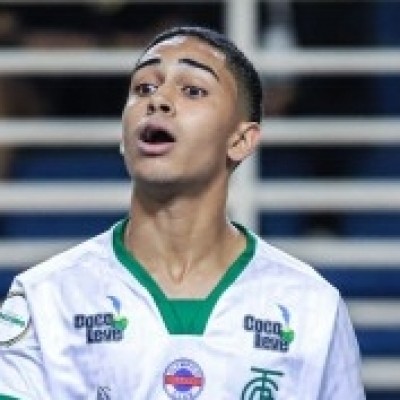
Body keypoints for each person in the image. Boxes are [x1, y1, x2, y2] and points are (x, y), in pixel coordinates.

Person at [0, 26, 365, 399]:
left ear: (241, 140)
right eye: (144, 88)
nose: (158, 100)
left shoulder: (313, 308)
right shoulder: (44, 298)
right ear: (123, 136)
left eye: (192, 90)